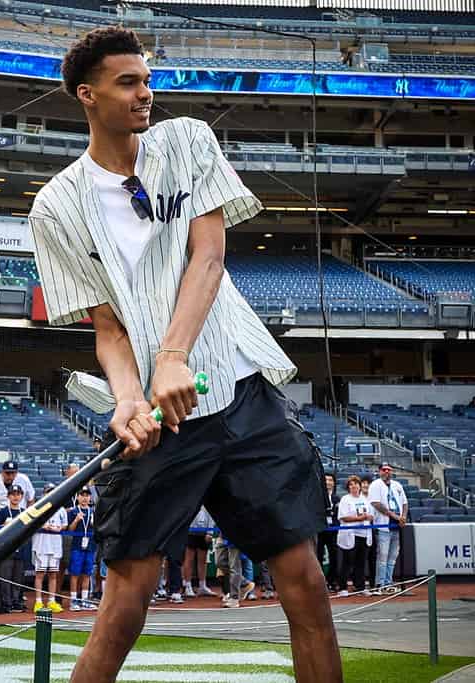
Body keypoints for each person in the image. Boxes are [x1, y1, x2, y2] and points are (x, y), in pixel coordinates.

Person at [31, 27, 338, 682]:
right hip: (161, 425)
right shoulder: (55, 206)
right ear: (87, 95)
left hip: (240, 395)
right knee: (122, 607)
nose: (146, 93)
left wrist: (172, 354)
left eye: (146, 79)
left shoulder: (187, 140)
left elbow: (208, 255)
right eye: (128, 83)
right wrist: (126, 399)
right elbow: (107, 327)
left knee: (305, 584)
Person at [368, 463, 408, 594]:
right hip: (384, 526)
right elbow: (376, 503)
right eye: (384, 470)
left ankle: (388, 582)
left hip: (397, 526)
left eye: (389, 470)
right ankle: (380, 583)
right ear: (379, 471)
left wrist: (403, 517)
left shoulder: (397, 485)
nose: (387, 472)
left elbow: (404, 503)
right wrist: (395, 516)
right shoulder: (375, 484)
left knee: (393, 557)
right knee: (383, 557)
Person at [32, 484, 68, 613]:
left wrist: (58, 528)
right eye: (48, 492)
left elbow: (64, 525)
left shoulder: (61, 509)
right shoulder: (38, 508)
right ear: (44, 493)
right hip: (41, 544)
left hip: (55, 545)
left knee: (53, 574)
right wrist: (43, 526)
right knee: (40, 574)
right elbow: (31, 524)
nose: (51, 494)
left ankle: (52, 600)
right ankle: (38, 601)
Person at [336, 475, 373, 597]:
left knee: (361, 563)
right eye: (351, 485)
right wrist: (359, 518)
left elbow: (371, 515)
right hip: (350, 534)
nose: (354, 486)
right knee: (347, 562)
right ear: (348, 487)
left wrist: (369, 517)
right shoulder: (345, 499)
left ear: (360, 486)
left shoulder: (365, 499)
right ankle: (342, 587)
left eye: (356, 484)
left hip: (364, 534)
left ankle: (360, 587)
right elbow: (343, 517)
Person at [0, 484, 28, 612]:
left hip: (20, 548)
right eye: (13, 494)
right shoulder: (3, 511)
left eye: (18, 494)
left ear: (21, 496)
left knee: (17, 578)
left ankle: (16, 601)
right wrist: (4, 525)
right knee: (6, 577)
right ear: (8, 496)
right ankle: (6, 603)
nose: (15, 497)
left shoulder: (24, 511)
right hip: (7, 549)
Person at [67, 487, 98, 611]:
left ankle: (84, 600)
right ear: (78, 497)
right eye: (82, 495)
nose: (85, 498)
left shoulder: (93, 512)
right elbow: (69, 530)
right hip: (77, 547)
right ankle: (73, 600)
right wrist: (76, 520)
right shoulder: (73, 511)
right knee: (75, 574)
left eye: (87, 495)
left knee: (87, 574)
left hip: (90, 546)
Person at [183, 506, 215, 598]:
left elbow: (211, 513)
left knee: (202, 560)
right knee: (189, 559)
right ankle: (188, 586)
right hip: (190, 530)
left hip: (204, 531)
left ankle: (202, 586)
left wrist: (210, 531)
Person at [318, 473, 340, 592]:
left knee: (334, 556)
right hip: (321, 530)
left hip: (333, 530)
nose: (328, 482)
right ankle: (321, 583)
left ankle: (332, 581)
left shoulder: (337, 498)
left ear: (334, 483)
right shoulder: (318, 497)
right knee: (318, 556)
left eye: (330, 480)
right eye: (326, 480)